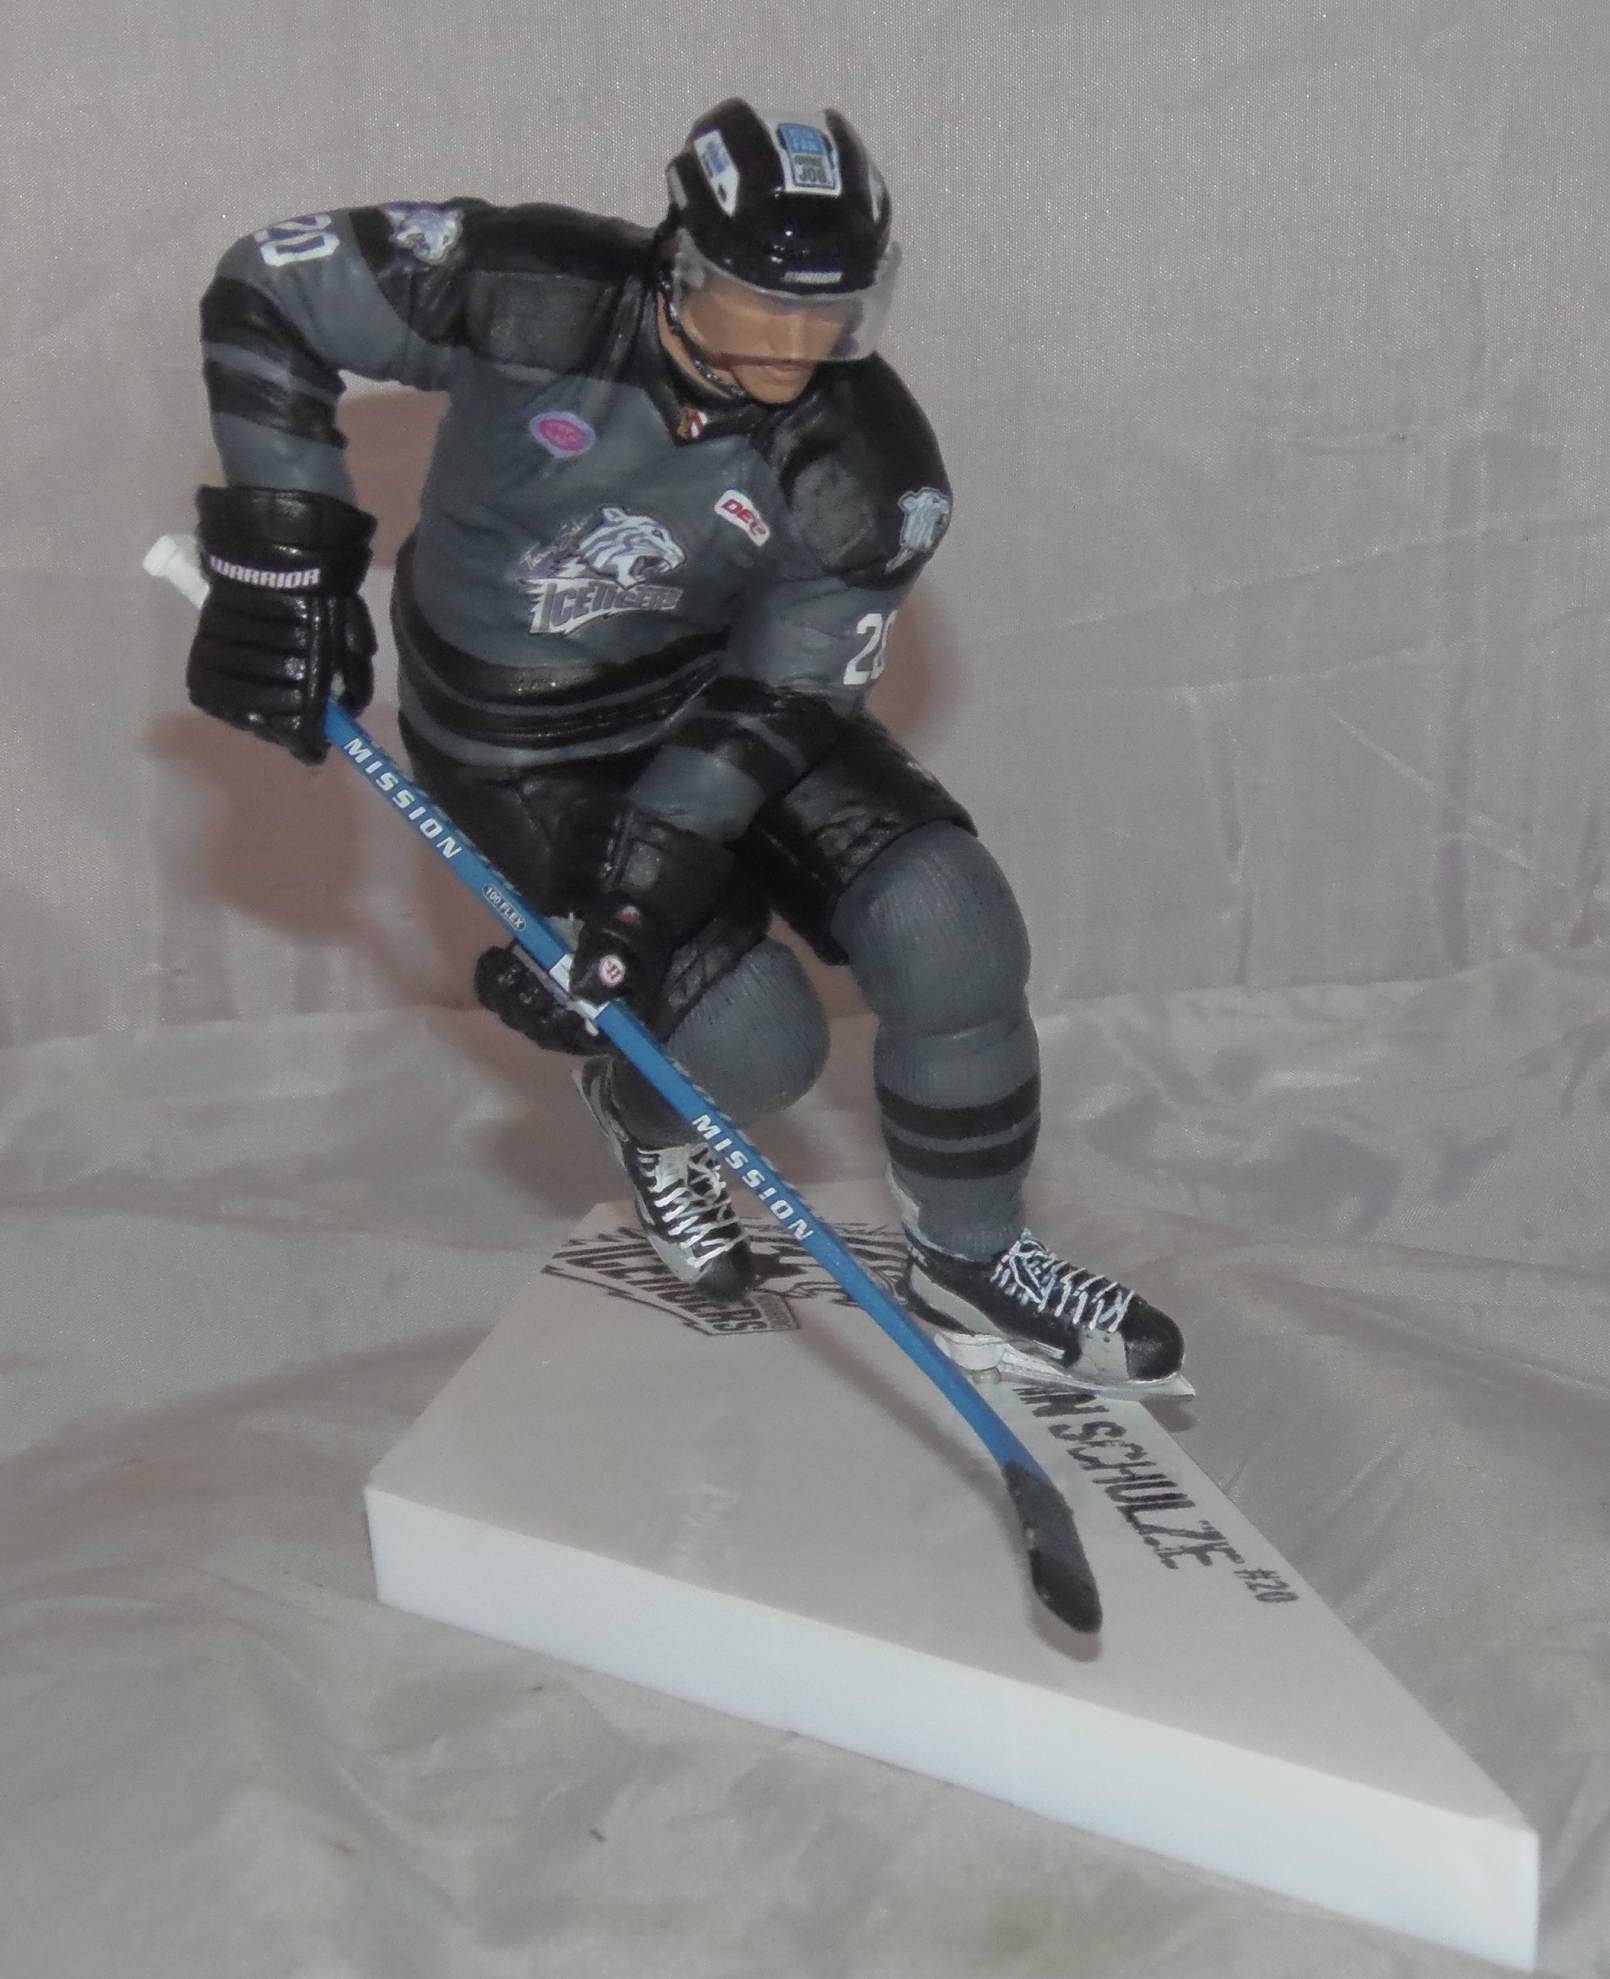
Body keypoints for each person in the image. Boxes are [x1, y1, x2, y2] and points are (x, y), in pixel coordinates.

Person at [184, 97, 1184, 1393]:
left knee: (949, 920)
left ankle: (971, 1261)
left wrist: (639, 895)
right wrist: (283, 556)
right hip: (522, 738)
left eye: (829, 319)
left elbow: (780, 698)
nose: (788, 353)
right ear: (678, 258)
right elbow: (270, 284)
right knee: (754, 1048)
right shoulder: (533, 290)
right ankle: (649, 1121)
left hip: (718, 697)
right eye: (754, 306)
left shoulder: (868, 469)